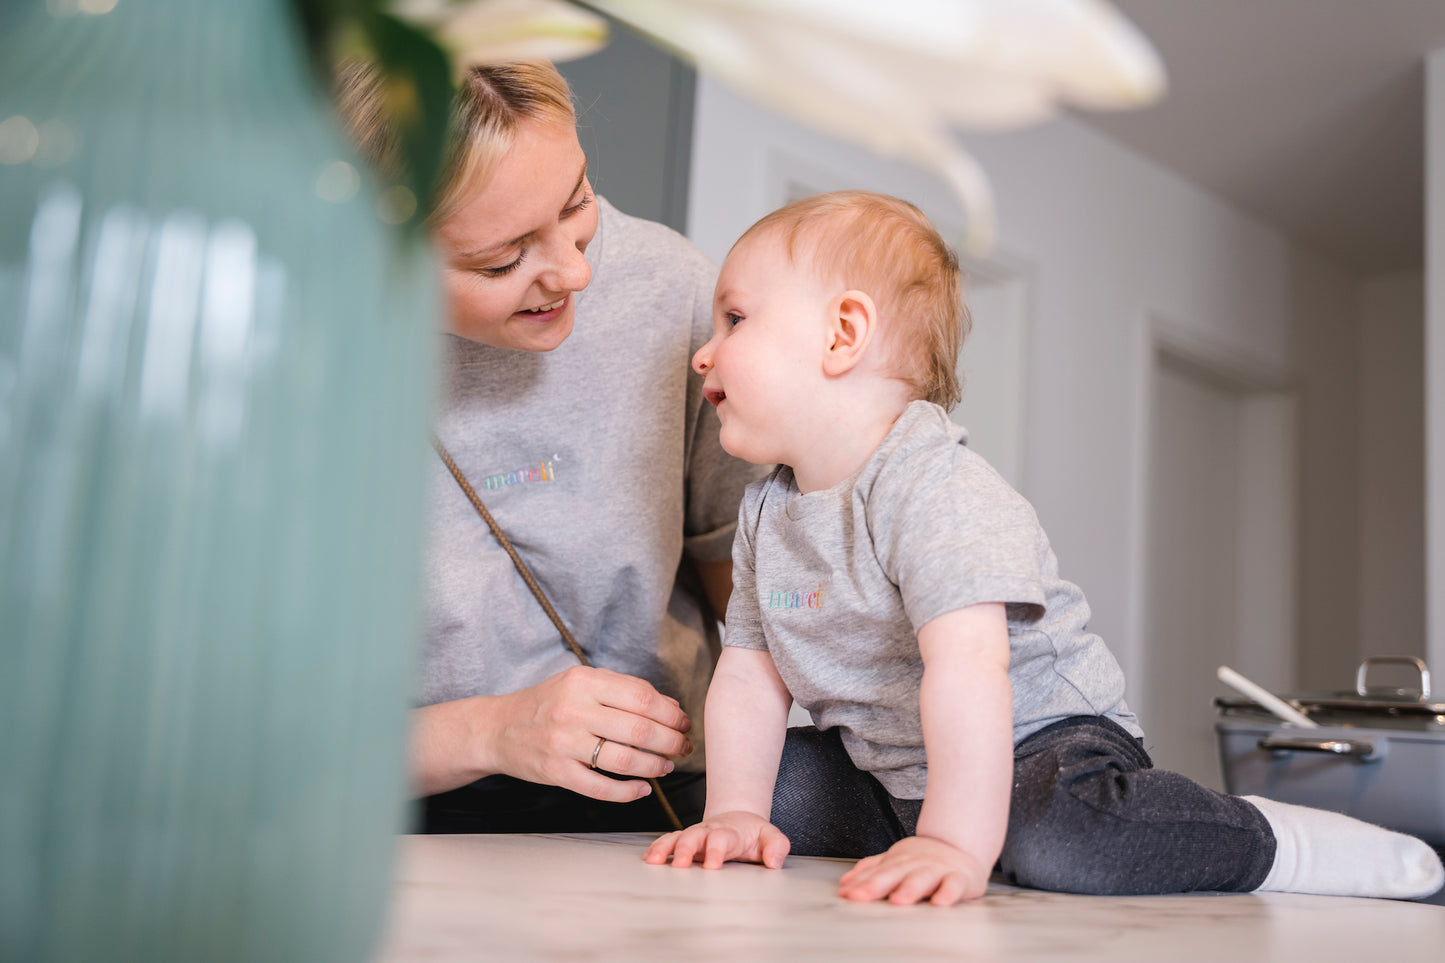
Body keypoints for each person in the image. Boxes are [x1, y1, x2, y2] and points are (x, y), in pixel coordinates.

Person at [643, 190, 1445, 904]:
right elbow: (749, 676)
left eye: (735, 320)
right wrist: (738, 815)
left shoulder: (932, 486)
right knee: (759, 787)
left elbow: (968, 670)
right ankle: (949, 827)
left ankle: (1272, 836)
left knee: (1064, 839)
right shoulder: (765, 510)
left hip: (1041, 741)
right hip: (891, 765)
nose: (702, 352)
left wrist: (956, 841)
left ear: (843, 333)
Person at [337, 61, 765, 832]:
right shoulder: (278, 351)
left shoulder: (673, 292)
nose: (573, 271)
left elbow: (754, 591)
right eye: (503, 259)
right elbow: (225, 736)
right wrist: (493, 731)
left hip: (664, 808)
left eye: (577, 202)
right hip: (379, 820)